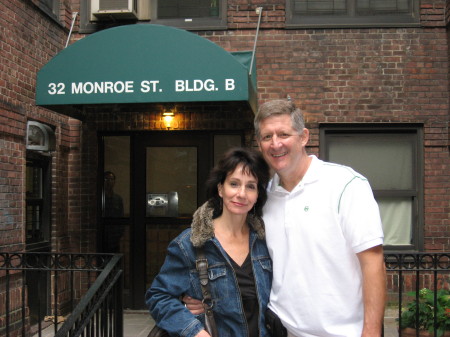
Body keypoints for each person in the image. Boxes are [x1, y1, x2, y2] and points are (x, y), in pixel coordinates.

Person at [186, 100, 386, 337]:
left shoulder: (346, 185)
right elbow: (234, 248)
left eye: (283, 134)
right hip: (279, 330)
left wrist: (371, 332)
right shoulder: (262, 198)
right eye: (267, 136)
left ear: (303, 137)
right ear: (259, 143)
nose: (275, 144)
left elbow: (373, 262)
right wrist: (194, 294)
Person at [145, 147, 273, 337]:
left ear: (257, 195)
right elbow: (159, 297)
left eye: (251, 186)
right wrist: (195, 331)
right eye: (234, 184)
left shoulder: (266, 241)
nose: (242, 194)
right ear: (221, 188)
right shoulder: (190, 244)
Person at [103, 171, 125, 253]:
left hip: (114, 237)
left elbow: (121, 216)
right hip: (103, 235)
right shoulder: (100, 198)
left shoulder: (117, 199)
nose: (109, 182)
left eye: (111, 179)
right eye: (106, 179)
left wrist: (120, 234)